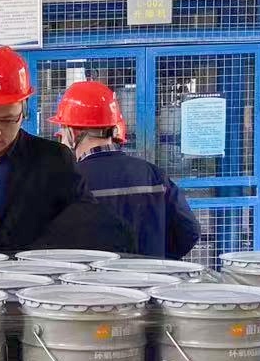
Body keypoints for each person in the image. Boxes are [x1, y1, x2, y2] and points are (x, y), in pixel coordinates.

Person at [0, 45, 131, 255]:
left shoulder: (55, 161)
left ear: (24, 110)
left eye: (7, 119)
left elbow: (86, 227)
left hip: (38, 273)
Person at [52, 80, 200, 259]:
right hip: (148, 275)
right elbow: (189, 230)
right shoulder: (154, 176)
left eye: (62, 129)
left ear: (73, 132)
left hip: (91, 276)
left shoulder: (66, 183)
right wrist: (157, 258)